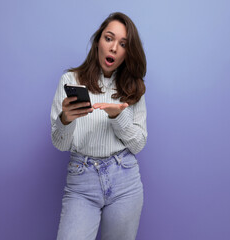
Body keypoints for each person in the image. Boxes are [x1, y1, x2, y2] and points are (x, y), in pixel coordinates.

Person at [50, 12, 147, 240]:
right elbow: (59, 144)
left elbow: (139, 144)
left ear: (127, 53)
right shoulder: (70, 80)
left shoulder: (134, 87)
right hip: (81, 181)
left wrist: (117, 117)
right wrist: (66, 120)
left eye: (123, 44)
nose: (114, 48)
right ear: (98, 42)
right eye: (109, 38)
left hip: (124, 180)